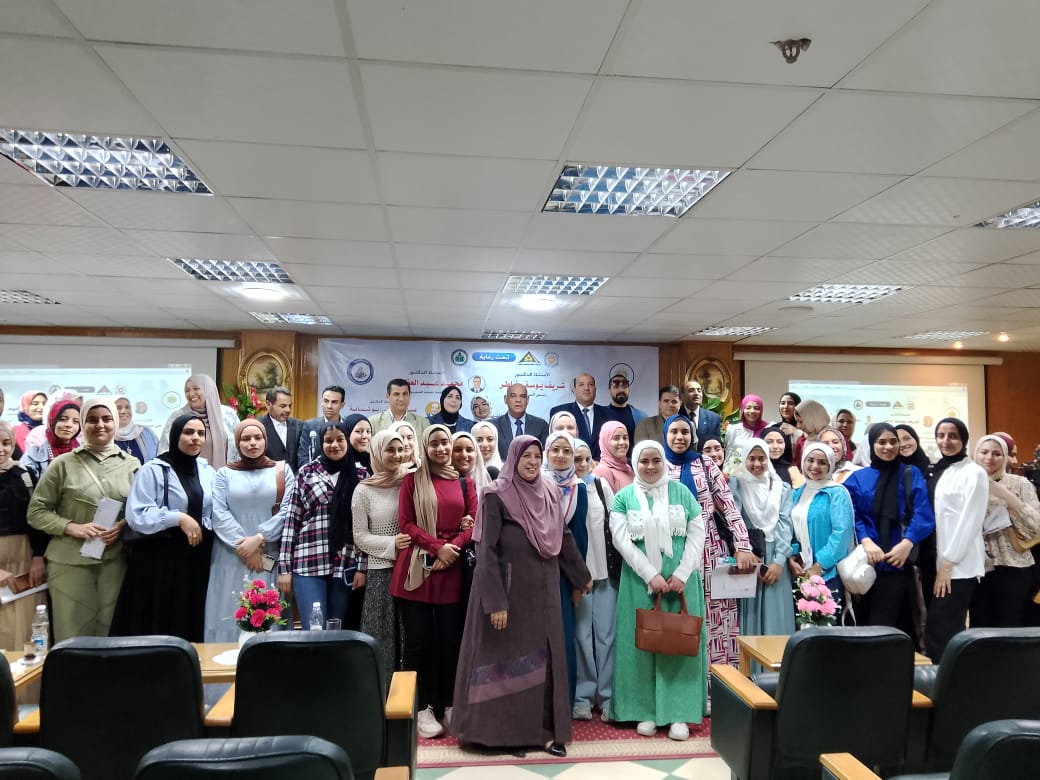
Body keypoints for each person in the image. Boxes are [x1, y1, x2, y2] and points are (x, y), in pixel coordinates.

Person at [451, 436, 591, 756]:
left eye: (536, 456)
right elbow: (486, 551)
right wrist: (495, 602)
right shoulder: (496, 494)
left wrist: (581, 577)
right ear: (513, 458)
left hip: (544, 594)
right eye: (525, 455)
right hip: (509, 594)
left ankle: (545, 732)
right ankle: (505, 736)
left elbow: (563, 536)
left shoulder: (549, 491)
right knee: (509, 665)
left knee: (545, 663)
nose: (532, 462)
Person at [609, 440, 706, 739]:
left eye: (656, 461)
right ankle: (645, 710)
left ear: (664, 462)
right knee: (641, 645)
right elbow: (621, 541)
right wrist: (651, 575)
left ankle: (678, 713)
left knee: (679, 645)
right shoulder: (623, 498)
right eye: (644, 461)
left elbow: (697, 533)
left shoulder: (682, 492)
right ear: (635, 463)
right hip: (640, 584)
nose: (650, 467)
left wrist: (682, 573)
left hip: (680, 586)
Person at [27, 398, 139, 641]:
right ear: (83, 425)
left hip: (114, 564)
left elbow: (140, 510)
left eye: (107, 419)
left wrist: (123, 525)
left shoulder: (132, 465)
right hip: (69, 563)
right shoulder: (62, 464)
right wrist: (71, 527)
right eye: (92, 420)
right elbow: (36, 512)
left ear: (116, 422)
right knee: (72, 634)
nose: (100, 425)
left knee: (110, 635)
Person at [390, 424, 476, 739]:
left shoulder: (465, 482)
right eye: (434, 444)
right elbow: (406, 524)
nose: (441, 449)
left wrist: (453, 547)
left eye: (445, 443)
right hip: (418, 568)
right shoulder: (412, 480)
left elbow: (475, 522)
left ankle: (449, 703)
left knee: (450, 642)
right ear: (425, 448)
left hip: (451, 569)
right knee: (417, 643)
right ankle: (422, 706)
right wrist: (437, 546)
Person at [661, 414, 753, 674]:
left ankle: (719, 681)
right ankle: (683, 682)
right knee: (678, 613)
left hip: (709, 547)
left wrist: (742, 545)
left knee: (716, 616)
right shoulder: (658, 464)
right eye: (674, 432)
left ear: (692, 436)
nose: (680, 437)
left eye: (685, 432)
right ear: (665, 435)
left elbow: (729, 506)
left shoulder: (705, 463)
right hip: (672, 549)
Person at [112, 414, 216, 641]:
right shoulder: (154, 469)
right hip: (160, 559)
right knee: (161, 617)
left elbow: (213, 509)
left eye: (200, 433)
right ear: (175, 435)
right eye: (188, 432)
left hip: (196, 558)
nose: (196, 438)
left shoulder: (207, 471)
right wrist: (177, 518)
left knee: (190, 615)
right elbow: (137, 514)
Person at [843, 424, 935, 640]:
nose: (888, 447)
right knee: (863, 623)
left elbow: (923, 514)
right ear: (871, 445)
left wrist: (907, 543)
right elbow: (850, 513)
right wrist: (866, 540)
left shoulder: (910, 474)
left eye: (893, 442)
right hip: (865, 563)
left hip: (897, 563)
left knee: (892, 626)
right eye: (881, 442)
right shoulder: (858, 478)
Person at [204, 419, 292, 643]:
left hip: (268, 556)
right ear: (237, 443)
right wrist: (245, 546)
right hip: (231, 555)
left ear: (265, 440)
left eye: (258, 437)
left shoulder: (282, 471)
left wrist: (260, 538)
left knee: (267, 616)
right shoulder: (224, 474)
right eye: (246, 438)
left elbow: (288, 510)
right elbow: (219, 512)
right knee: (227, 614)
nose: (252, 443)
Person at [278, 421, 366, 629]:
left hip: (345, 563)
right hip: (309, 562)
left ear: (347, 441)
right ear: (321, 443)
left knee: (336, 629)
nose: (334, 445)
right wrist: (284, 568)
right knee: (314, 629)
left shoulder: (361, 475)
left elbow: (364, 526)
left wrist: (362, 568)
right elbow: (291, 522)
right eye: (328, 441)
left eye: (340, 439)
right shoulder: (306, 473)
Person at [925, 418, 988, 661]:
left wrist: (949, 562)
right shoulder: (939, 469)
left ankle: (947, 677)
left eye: (953, 436)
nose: (946, 441)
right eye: (941, 435)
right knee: (939, 626)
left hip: (957, 565)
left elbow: (970, 520)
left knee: (943, 626)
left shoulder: (974, 472)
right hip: (935, 559)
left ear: (963, 439)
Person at [352, 430, 411, 678]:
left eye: (400, 450)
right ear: (377, 452)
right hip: (381, 573)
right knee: (382, 636)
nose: (397, 455)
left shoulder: (410, 482)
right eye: (390, 450)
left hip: (411, 571)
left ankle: (410, 694)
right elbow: (360, 536)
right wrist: (392, 543)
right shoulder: (363, 490)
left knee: (409, 636)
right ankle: (381, 693)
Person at [970, 434, 1040, 628]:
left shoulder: (1020, 483)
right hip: (977, 567)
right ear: (975, 454)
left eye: (997, 453)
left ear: (1005, 457)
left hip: (1013, 564)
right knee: (980, 626)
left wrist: (1007, 496)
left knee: (1010, 625)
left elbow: (1036, 525)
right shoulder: (967, 483)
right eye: (984, 452)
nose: (989, 458)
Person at [572, 436, 618, 723]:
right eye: (575, 458)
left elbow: (616, 525)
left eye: (585, 458)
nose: (581, 463)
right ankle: (583, 697)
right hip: (578, 577)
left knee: (606, 637)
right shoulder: (562, 488)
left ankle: (608, 695)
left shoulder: (601, 486)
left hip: (605, 573)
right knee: (581, 638)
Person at [730, 439, 795, 638]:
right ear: (744, 459)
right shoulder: (736, 484)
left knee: (776, 615)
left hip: (775, 555)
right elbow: (734, 519)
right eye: (752, 458)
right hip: (749, 557)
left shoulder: (781, 487)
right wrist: (743, 549)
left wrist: (779, 561)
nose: (757, 464)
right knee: (748, 614)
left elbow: (785, 524)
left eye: (762, 458)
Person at [543, 431, 588, 710]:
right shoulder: (534, 483)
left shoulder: (579, 489)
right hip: (537, 573)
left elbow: (580, 538)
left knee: (563, 638)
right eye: (555, 450)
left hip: (564, 577)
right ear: (546, 453)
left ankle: (564, 705)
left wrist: (578, 583)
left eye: (566, 451)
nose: (560, 456)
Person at [0, 421, 48, 651]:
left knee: (29, 628)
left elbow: (38, 519)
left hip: (25, 561)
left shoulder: (25, 475)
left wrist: (38, 556)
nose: (1, 449)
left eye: (6, 443)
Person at [788, 441, 855, 604]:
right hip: (800, 571)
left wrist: (820, 565)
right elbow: (791, 529)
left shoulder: (836, 493)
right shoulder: (797, 493)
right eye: (810, 460)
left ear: (830, 465)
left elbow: (842, 533)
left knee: (824, 619)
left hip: (827, 573)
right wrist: (792, 557)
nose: (815, 466)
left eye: (822, 462)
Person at [159, 374, 238, 469]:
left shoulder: (228, 415)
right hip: (186, 475)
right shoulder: (177, 416)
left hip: (225, 475)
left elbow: (239, 447)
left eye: (196, 389)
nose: (191, 394)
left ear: (208, 390)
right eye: (187, 390)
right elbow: (164, 450)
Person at [549, 373, 608, 460]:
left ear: (595, 390)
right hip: (570, 463)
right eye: (581, 385)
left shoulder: (607, 413)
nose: (586, 388)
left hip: (601, 465)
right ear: (574, 390)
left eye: (590, 384)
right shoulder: (560, 412)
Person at [21, 398, 80, 480]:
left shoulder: (84, 454)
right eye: (63, 419)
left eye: (76, 421)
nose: (69, 425)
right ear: (52, 420)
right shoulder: (34, 454)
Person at [494, 383, 549, 460]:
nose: (518, 400)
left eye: (522, 396)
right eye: (513, 396)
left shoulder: (541, 425)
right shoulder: (493, 426)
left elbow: (545, 456)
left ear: (527, 400)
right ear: (505, 399)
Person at [297, 385, 347, 469]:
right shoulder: (310, 426)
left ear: (342, 405)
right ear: (321, 402)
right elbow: (303, 457)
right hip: (316, 473)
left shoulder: (348, 426)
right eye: (326, 401)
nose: (329, 406)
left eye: (334, 402)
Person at [257, 385, 302, 466]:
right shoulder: (258, 426)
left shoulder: (299, 425)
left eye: (290, 406)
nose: (288, 410)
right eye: (283, 406)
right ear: (268, 404)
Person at [112, 396, 159, 465]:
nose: (123, 411)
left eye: (127, 407)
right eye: (118, 408)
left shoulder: (145, 433)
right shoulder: (105, 435)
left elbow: (158, 460)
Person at [603, 370, 647, 444]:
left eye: (624, 386)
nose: (621, 390)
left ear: (629, 390)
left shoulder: (641, 416)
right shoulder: (601, 414)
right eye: (616, 386)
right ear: (609, 390)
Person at [723, 394, 769, 462]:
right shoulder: (733, 430)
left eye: (756, 408)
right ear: (742, 409)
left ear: (761, 410)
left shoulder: (768, 429)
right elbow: (729, 454)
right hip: (738, 467)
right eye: (748, 408)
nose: (752, 411)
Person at [592, 420, 634, 493]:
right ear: (605, 441)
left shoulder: (627, 468)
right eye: (616, 438)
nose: (622, 442)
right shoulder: (602, 471)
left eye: (625, 438)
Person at [679, 379, 720, 451]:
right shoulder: (676, 416)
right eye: (691, 390)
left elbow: (716, 444)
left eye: (699, 390)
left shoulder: (713, 418)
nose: (696, 393)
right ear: (682, 396)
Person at [792, 399, 829, 464]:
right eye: (797, 421)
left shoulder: (836, 440)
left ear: (813, 419)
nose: (798, 426)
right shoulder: (802, 440)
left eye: (801, 421)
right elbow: (795, 466)